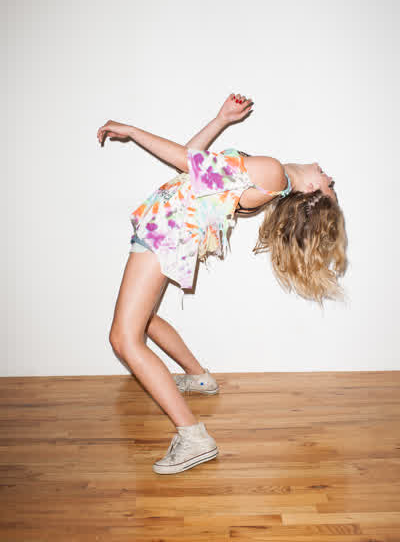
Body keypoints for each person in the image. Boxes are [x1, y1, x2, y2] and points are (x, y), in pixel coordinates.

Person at [96, 93, 348, 475]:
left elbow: (187, 163)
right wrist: (221, 120)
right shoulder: (273, 177)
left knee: (123, 339)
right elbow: (191, 163)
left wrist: (132, 130)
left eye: (330, 186)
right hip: (165, 229)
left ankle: (193, 436)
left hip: (165, 233)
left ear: (312, 190)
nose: (330, 178)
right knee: (140, 320)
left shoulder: (272, 172)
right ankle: (198, 377)